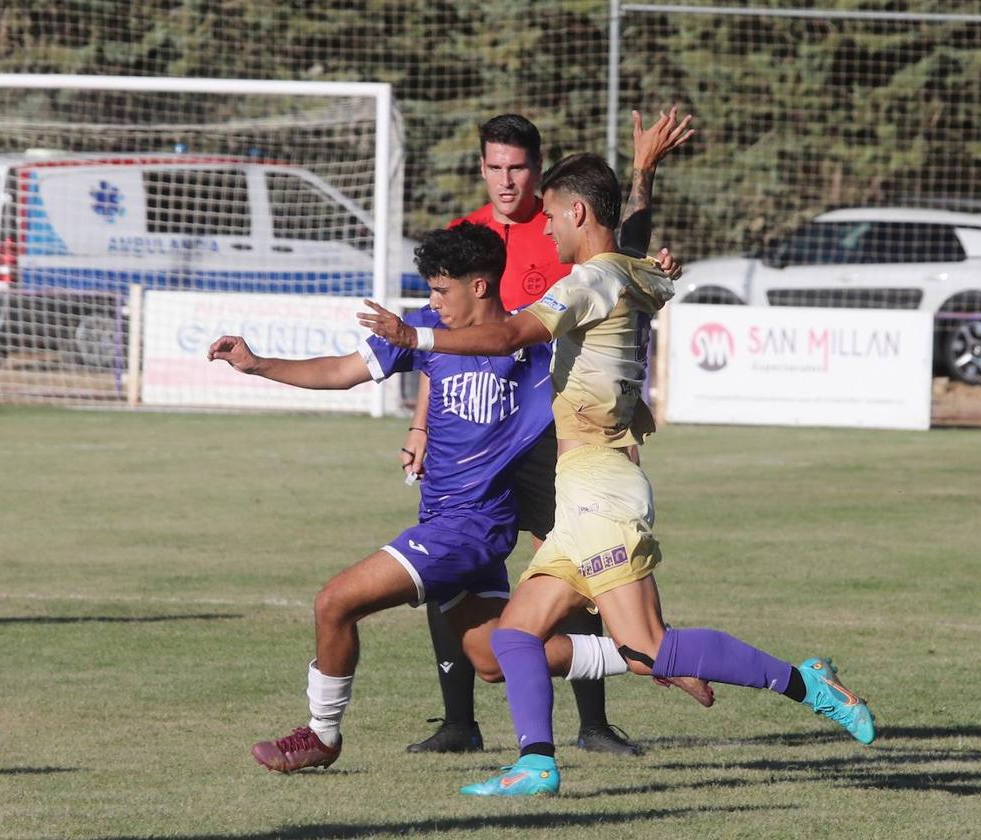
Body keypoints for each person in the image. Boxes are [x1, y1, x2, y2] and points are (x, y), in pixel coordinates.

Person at [359, 154, 878, 797]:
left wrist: (417, 336)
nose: (545, 230)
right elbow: (628, 239)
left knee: (650, 646)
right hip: (580, 487)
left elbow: (506, 336)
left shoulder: (586, 283)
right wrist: (642, 176)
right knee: (513, 637)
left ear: (577, 212)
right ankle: (536, 764)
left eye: (550, 216)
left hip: (602, 487)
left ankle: (807, 682)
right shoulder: (635, 273)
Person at [209, 222, 653, 774]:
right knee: (491, 658)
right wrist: (258, 365)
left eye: (442, 290)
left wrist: (646, 251)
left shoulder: (532, 349)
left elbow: (609, 308)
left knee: (334, 602)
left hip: (470, 529)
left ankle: (322, 735)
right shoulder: (420, 331)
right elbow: (342, 371)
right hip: (444, 518)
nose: (432, 301)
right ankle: (645, 655)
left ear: (481, 287)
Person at [401, 108, 696, 757]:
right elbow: (446, 342)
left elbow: (622, 256)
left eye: (519, 167)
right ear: (481, 167)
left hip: (543, 430)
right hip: (477, 432)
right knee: (450, 556)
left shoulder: (562, 228)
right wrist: (423, 423)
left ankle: (591, 724)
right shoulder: (465, 235)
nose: (507, 180)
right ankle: (459, 724)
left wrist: (643, 179)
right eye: (495, 167)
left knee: (575, 557)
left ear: (537, 172)